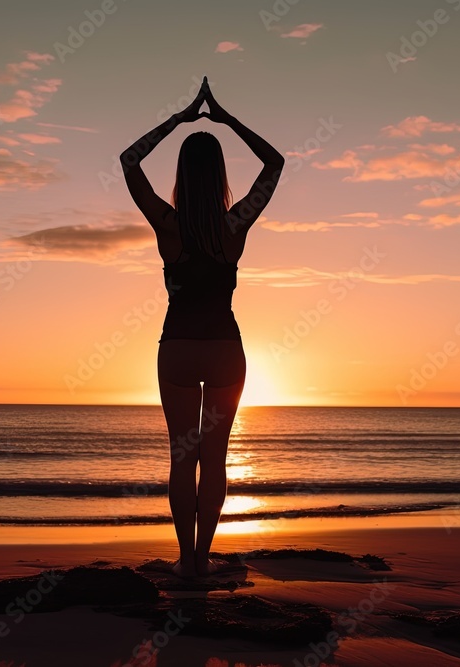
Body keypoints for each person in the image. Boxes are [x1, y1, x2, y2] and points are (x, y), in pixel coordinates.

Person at [120, 77, 285, 577]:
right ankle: (201, 561)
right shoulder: (234, 226)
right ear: (218, 178)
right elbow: (274, 164)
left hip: (176, 349)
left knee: (182, 458)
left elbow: (129, 161)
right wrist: (228, 120)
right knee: (214, 461)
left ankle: (186, 559)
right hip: (224, 350)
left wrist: (179, 119)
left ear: (182, 176)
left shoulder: (167, 225)